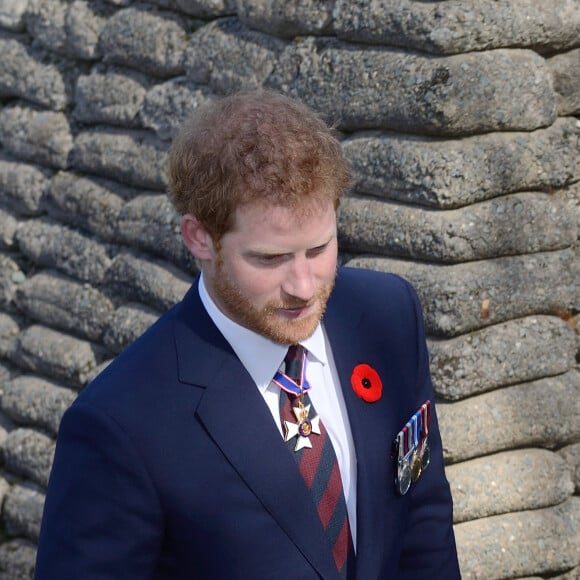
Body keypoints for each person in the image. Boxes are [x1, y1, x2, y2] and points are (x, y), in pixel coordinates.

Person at [35, 91, 460, 579]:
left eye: (319, 248)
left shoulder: (388, 316)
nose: (303, 287)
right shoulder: (121, 424)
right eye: (269, 258)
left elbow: (421, 517)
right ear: (199, 238)